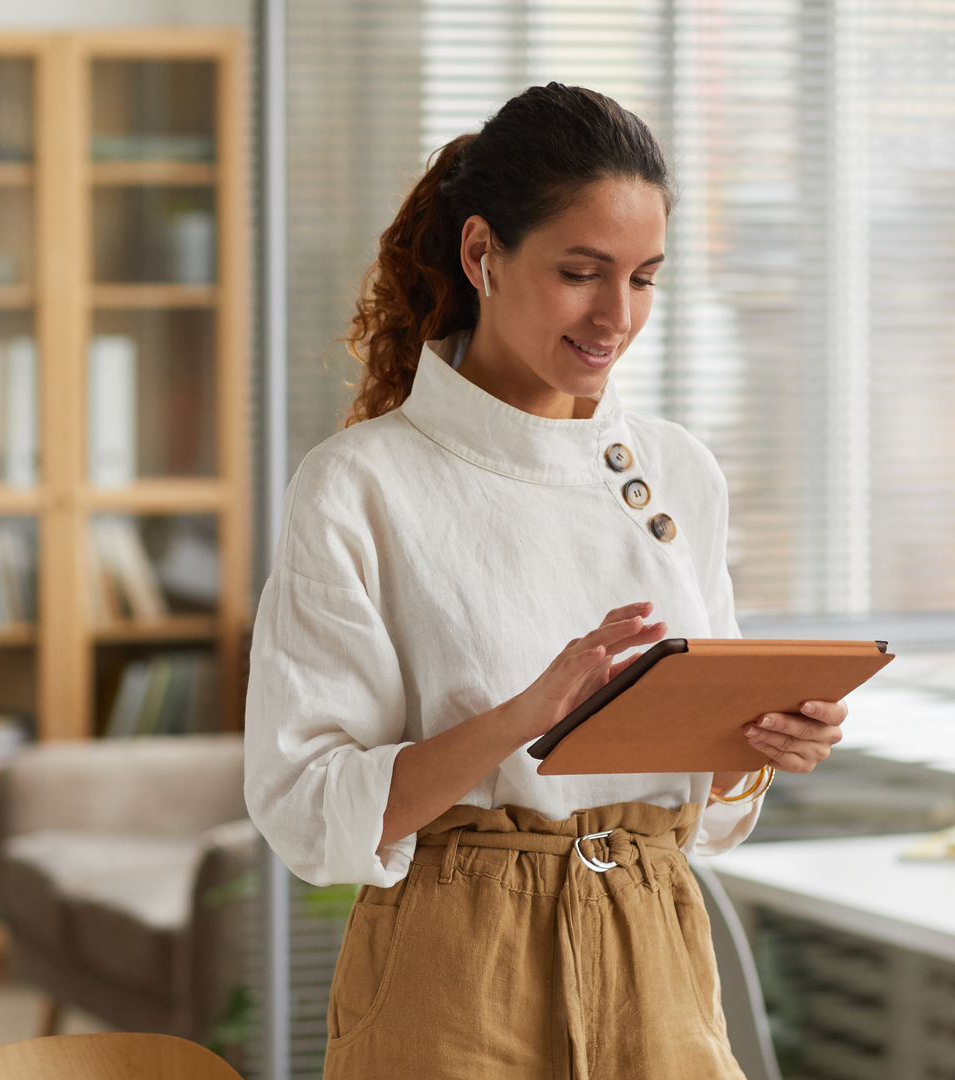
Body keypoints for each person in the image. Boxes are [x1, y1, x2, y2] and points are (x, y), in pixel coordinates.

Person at [244, 83, 851, 1079]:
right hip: (454, 967)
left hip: (656, 942)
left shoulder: (680, 474)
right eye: (582, 273)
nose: (617, 315)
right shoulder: (361, 486)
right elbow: (307, 805)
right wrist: (525, 715)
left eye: (646, 279)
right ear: (482, 254)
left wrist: (757, 749)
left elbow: (713, 811)